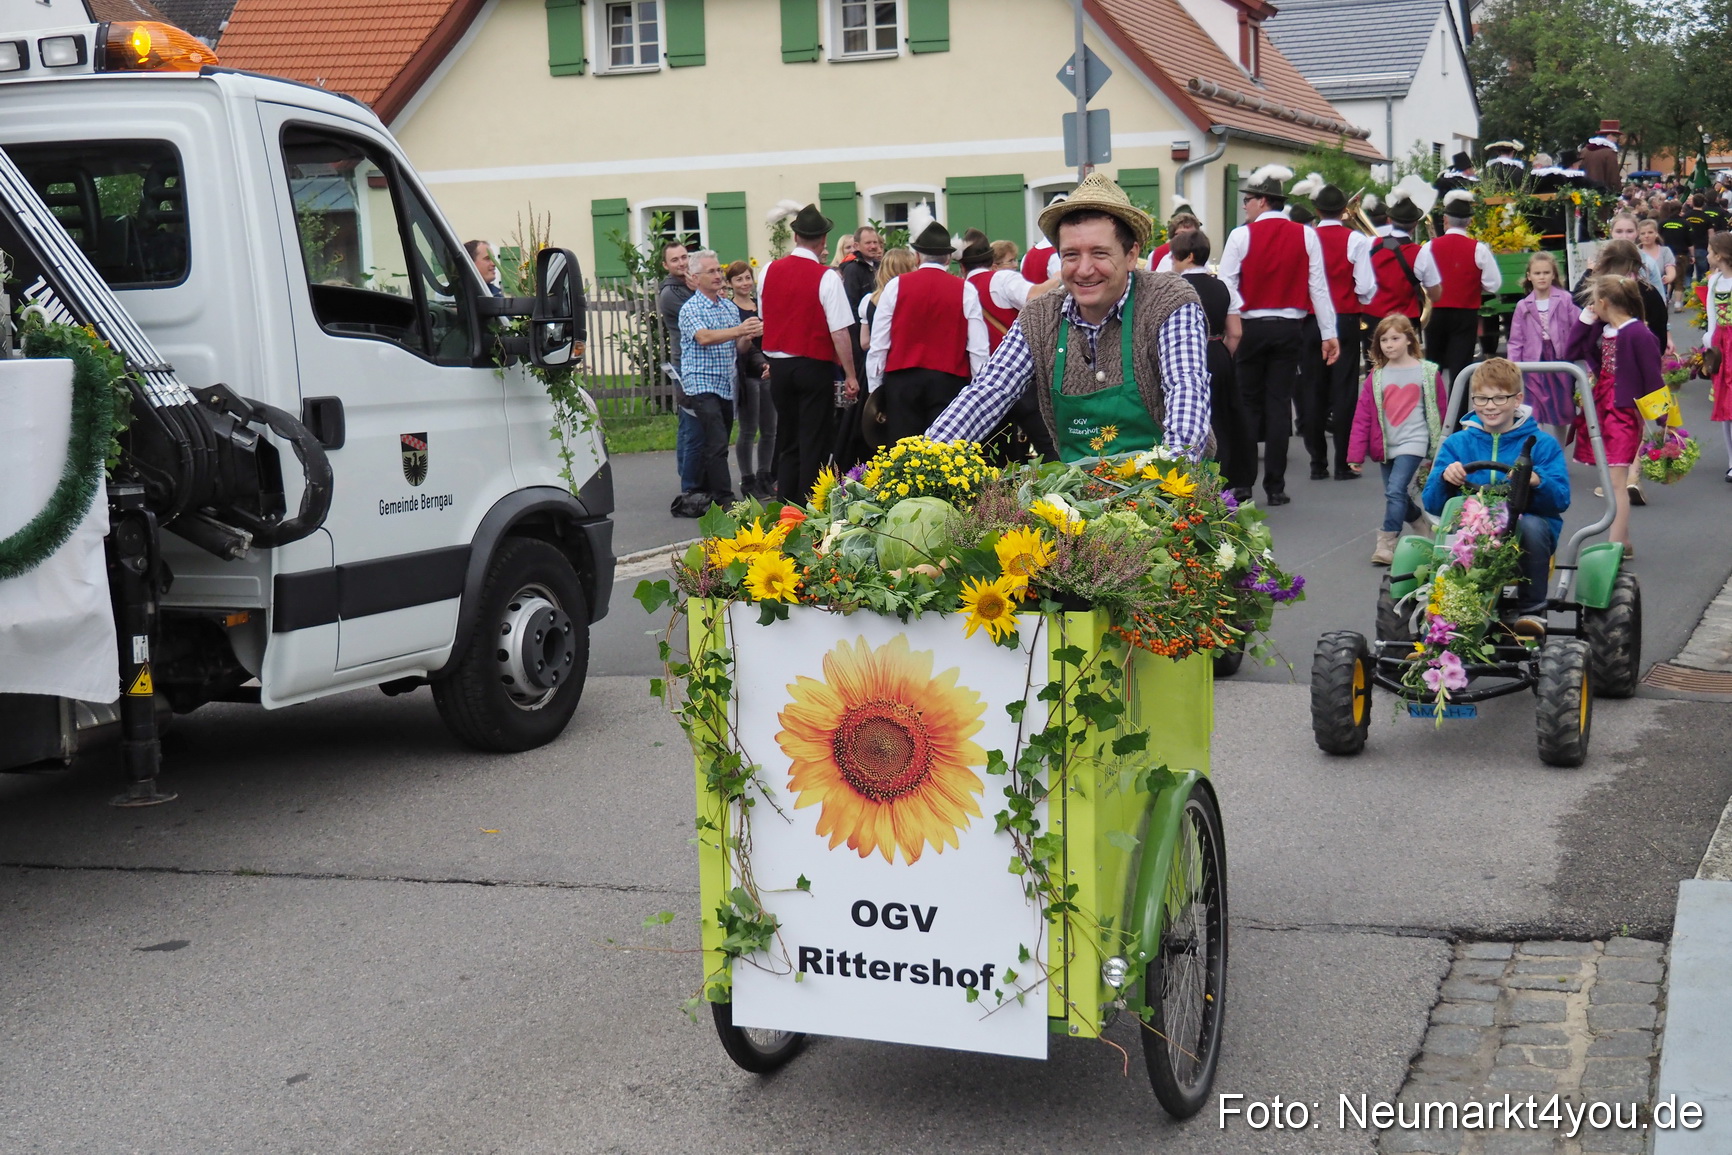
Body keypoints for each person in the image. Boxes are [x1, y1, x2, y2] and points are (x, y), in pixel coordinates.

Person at [925, 171, 1212, 463]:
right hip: (1078, 486)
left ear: (1130, 255)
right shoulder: (1041, 317)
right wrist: (923, 459)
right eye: (1071, 255)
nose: (1084, 270)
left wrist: (1176, 464)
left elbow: (1186, 386)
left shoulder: (1167, 300)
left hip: (1167, 480)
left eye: (1099, 253)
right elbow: (990, 390)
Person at [1422, 357, 1573, 635]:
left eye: (1499, 398)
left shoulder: (1541, 444)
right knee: (1427, 540)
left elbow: (1561, 499)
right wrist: (1445, 478)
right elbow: (1432, 503)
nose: (1489, 406)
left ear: (1517, 400)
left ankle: (1532, 610)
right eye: (1481, 399)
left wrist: (1537, 480)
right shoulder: (1458, 444)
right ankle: (1436, 617)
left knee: (1531, 526)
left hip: (1523, 529)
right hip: (1469, 531)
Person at [1219, 164, 1339, 505]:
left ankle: (1243, 484)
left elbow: (1226, 284)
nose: (1245, 205)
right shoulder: (1306, 235)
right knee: (1278, 406)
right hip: (1290, 328)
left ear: (1262, 201)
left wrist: (1234, 319)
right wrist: (1329, 333)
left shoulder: (1240, 235)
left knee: (1247, 404)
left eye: (1248, 200)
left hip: (1250, 326)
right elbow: (1318, 287)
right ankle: (1276, 487)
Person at [759, 204, 859, 502]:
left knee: (788, 439)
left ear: (796, 237)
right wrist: (850, 374)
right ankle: (808, 507)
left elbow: (766, 316)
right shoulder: (826, 277)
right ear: (823, 240)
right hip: (813, 366)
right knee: (814, 440)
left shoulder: (768, 271)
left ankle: (785, 506)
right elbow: (839, 332)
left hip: (779, 366)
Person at [1563, 275, 1663, 558]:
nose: (1592, 307)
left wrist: (1663, 420)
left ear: (1604, 302)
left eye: (1593, 302)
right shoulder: (1604, 329)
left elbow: (1653, 378)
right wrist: (1585, 320)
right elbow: (1571, 351)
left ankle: (1614, 546)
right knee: (1610, 480)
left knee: (1617, 481)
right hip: (1602, 407)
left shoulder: (1638, 333)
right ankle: (1624, 541)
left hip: (1624, 413)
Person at [866, 220, 989, 443]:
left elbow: (879, 344)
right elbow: (978, 349)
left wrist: (876, 390)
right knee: (945, 452)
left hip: (902, 380)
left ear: (917, 257)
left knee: (903, 452)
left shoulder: (895, 286)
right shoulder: (966, 290)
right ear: (948, 258)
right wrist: (978, 391)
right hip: (948, 380)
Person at [1347, 314, 1448, 564]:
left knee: (1394, 490)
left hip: (1414, 441)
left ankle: (1387, 541)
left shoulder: (1426, 372)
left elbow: (1441, 409)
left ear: (1409, 340)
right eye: (1384, 340)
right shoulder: (1377, 376)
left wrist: (1442, 447)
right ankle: (1419, 521)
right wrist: (1355, 455)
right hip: (1385, 444)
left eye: (1395, 338)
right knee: (1396, 493)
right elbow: (1362, 416)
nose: (1389, 345)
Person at [1169, 228, 1255, 499]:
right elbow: (1236, 332)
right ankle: (1231, 478)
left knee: (1191, 415)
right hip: (1216, 350)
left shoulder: (1173, 287)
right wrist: (1222, 353)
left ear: (1188, 256)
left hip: (1184, 353)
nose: (1172, 261)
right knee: (1225, 416)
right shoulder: (1223, 286)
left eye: (1174, 256)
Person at [677, 250, 762, 508]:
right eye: (711, 271)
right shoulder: (690, 308)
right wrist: (739, 330)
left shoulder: (728, 306)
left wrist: (748, 336)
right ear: (696, 277)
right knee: (716, 440)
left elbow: (739, 347)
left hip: (725, 382)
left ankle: (706, 491)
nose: (718, 275)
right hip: (701, 382)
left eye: (718, 270)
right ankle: (725, 497)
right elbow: (704, 338)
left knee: (719, 438)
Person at [960, 237, 1058, 462]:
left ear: (962, 266)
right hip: (1017, 375)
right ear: (992, 262)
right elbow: (1035, 298)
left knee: (998, 454)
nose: (1014, 265)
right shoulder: (1001, 278)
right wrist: (1058, 277)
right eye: (1011, 260)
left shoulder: (960, 287)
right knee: (1049, 446)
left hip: (982, 382)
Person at [1311, 182, 1377, 480]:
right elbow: (1365, 286)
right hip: (1345, 317)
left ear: (1317, 210)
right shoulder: (1356, 240)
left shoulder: (1307, 237)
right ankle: (1342, 463)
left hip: (1311, 319)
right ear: (1344, 211)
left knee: (1314, 389)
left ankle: (1317, 464)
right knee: (1345, 390)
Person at [1414, 189, 1501, 395]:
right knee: (1461, 368)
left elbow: (1418, 277)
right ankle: (1459, 412)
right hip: (1465, 313)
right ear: (1469, 222)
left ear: (1445, 220)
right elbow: (1494, 284)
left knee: (1432, 365)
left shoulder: (1429, 247)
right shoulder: (1479, 249)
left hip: (1435, 313)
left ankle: (1433, 409)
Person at [1505, 251, 1576, 446]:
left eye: (1546, 272)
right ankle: (1538, 451)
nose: (1542, 277)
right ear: (1529, 276)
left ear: (1554, 274)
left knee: (1561, 409)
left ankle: (1559, 451)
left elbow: (1577, 326)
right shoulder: (1523, 305)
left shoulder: (1564, 299)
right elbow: (1516, 339)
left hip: (1559, 359)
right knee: (1534, 408)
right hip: (1533, 362)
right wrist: (1512, 366)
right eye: (1537, 273)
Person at [656, 241, 706, 512]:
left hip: (699, 361)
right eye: (675, 260)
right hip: (684, 364)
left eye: (684, 257)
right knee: (691, 425)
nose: (682, 263)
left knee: (690, 425)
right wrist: (699, 289)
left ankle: (693, 477)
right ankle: (689, 486)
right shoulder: (670, 294)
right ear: (666, 265)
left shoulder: (690, 284)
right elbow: (700, 316)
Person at [725, 260, 775, 499]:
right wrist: (748, 335)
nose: (745, 283)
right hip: (747, 374)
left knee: (770, 429)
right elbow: (741, 346)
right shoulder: (731, 309)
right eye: (739, 279)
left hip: (768, 371)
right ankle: (748, 478)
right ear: (730, 284)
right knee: (748, 429)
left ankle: (765, 474)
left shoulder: (760, 305)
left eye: (747, 278)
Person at [1701, 233, 1732, 482]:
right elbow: (1711, 315)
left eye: (1710, 251)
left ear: (1720, 255)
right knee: (1725, 403)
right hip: (1722, 346)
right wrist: (1709, 342)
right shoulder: (1714, 281)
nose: (1707, 255)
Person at [1636, 218, 1677, 305]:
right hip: (1639, 293)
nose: (1646, 236)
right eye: (1643, 233)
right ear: (1638, 236)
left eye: (1650, 232)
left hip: (1659, 292)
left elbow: (1670, 269)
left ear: (1656, 234)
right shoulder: (1635, 252)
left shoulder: (1665, 251)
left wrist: (1669, 277)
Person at [1580, 121, 1624, 201]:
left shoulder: (1584, 151)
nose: (1616, 140)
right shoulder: (1609, 153)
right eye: (1616, 136)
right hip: (1603, 197)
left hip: (1584, 196)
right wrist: (1617, 193)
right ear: (1610, 135)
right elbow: (1613, 177)